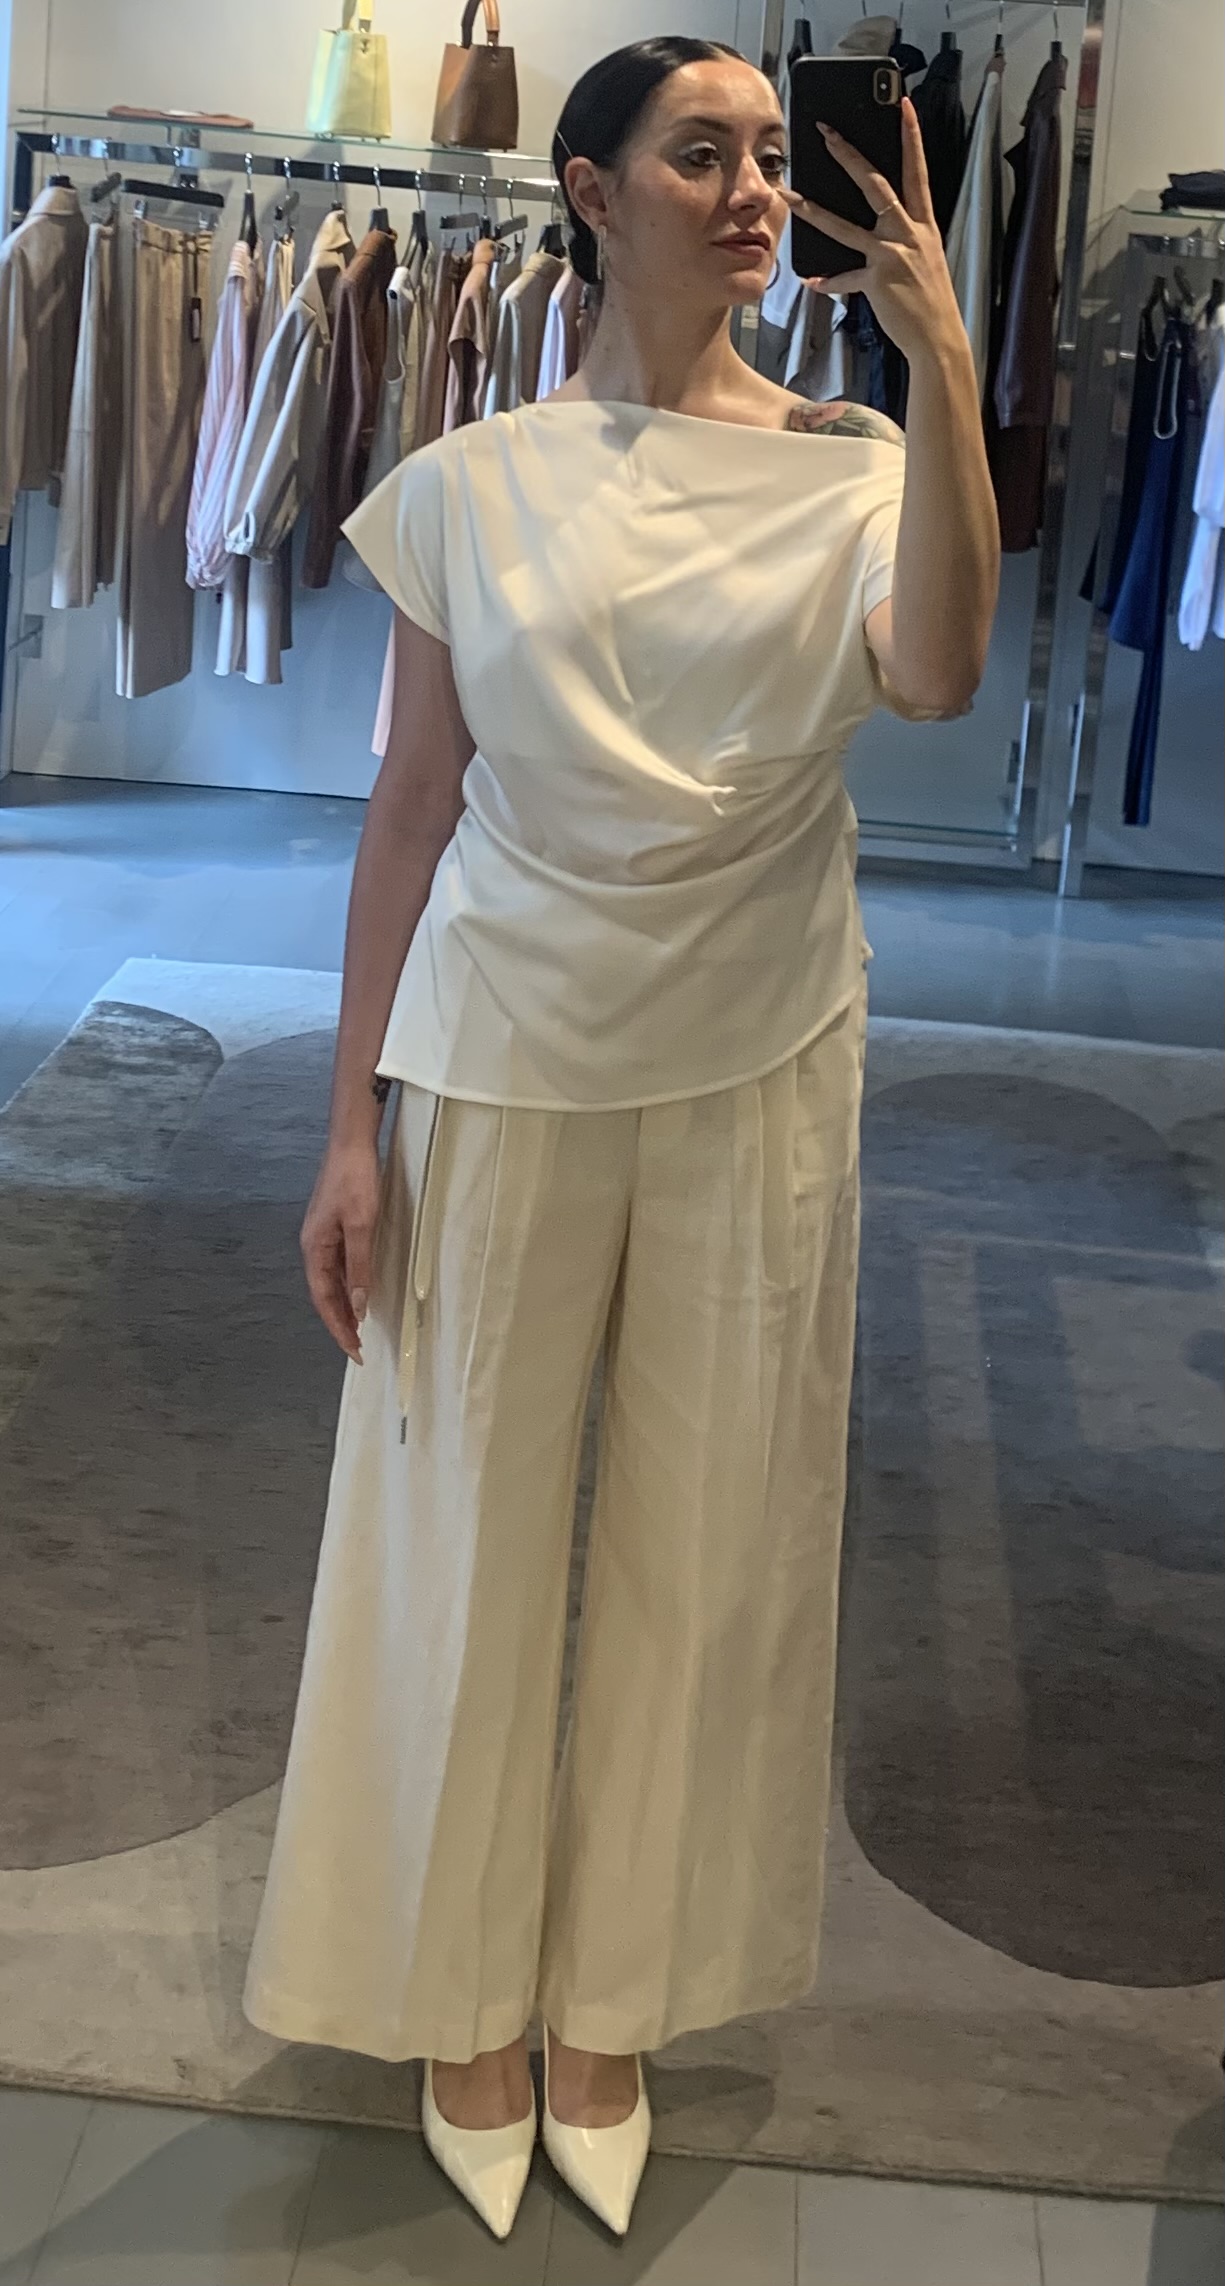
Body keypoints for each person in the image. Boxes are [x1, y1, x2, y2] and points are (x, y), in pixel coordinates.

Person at [241, 36, 999, 2243]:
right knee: (450, 1528)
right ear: (588, 189)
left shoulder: (854, 462)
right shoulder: (469, 482)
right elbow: (410, 809)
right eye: (703, 154)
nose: (755, 189)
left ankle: (613, 2007)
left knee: (714, 1543)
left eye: (774, 154)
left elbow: (937, 676)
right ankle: (450, 1996)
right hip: (495, 1045)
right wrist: (348, 1126)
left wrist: (945, 366)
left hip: (760, 1049)